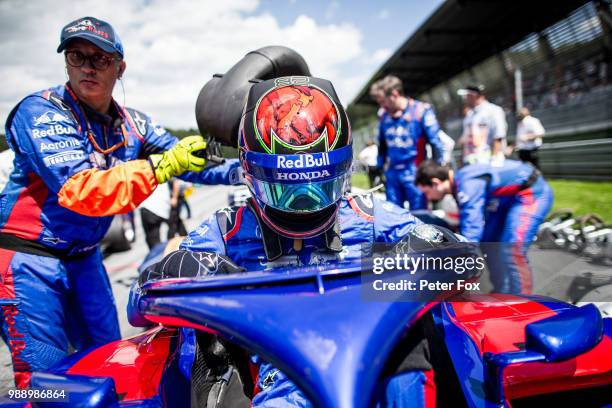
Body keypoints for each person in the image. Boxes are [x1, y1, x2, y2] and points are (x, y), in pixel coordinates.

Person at [143, 77, 444, 406]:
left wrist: (432, 249)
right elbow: (140, 301)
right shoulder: (228, 229)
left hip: (370, 370)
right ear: (249, 173)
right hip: (281, 383)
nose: (303, 204)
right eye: (284, 189)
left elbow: (467, 259)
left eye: (318, 185)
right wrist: (174, 268)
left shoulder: (366, 214)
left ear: (342, 170)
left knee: (418, 320)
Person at [0, 16, 238, 388]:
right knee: (44, 381)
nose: (88, 67)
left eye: (101, 58)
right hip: (30, 260)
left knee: (110, 360)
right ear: (65, 61)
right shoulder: (41, 112)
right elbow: (82, 191)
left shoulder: (134, 124)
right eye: (77, 56)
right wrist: (161, 166)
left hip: (85, 258)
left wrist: (247, 170)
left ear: (120, 68)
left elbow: (189, 161)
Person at [415, 160, 553, 293]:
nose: (429, 198)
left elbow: (472, 227)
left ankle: (524, 306)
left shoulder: (466, 183)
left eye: (426, 193)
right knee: (489, 243)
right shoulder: (461, 179)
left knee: (512, 249)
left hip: (531, 192)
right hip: (507, 199)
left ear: (435, 183)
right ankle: (502, 293)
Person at [373, 75, 445, 210]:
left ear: (394, 94)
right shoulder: (383, 116)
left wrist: (436, 171)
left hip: (415, 171)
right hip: (392, 172)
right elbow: (382, 145)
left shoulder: (421, 110)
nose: (382, 106)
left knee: (419, 215)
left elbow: (435, 142)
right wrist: (379, 167)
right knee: (392, 214)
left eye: (384, 101)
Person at [457, 84, 508, 166]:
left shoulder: (493, 110)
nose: (465, 99)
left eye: (466, 96)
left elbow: (498, 136)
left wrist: (494, 159)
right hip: (471, 162)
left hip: (489, 162)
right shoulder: (469, 115)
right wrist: (461, 160)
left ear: (473, 95)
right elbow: (465, 140)